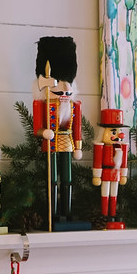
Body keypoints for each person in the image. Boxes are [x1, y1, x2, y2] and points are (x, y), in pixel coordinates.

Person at [32, 36, 83, 227]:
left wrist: (78, 146)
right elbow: (37, 127)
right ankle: (52, 211)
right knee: (52, 178)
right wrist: (42, 132)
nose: (65, 90)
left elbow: (76, 128)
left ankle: (67, 211)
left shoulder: (74, 106)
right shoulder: (41, 103)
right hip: (50, 143)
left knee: (67, 179)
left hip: (67, 142)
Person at [92, 109, 129, 228]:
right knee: (105, 193)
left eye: (119, 131)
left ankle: (112, 214)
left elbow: (124, 163)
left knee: (114, 194)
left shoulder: (121, 148)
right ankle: (104, 215)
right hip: (106, 172)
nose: (119, 135)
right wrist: (96, 175)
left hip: (116, 174)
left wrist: (123, 174)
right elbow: (98, 161)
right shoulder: (101, 147)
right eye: (114, 132)